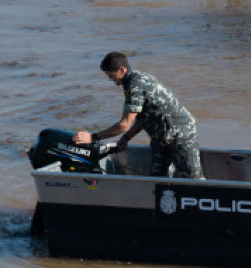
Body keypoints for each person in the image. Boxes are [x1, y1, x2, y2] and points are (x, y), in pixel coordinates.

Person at [73, 52, 203, 179]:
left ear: (122, 69)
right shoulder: (136, 79)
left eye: (112, 76)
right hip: (161, 135)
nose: (111, 80)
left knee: (191, 178)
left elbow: (124, 125)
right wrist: (126, 138)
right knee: (156, 178)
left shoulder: (135, 85)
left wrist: (93, 137)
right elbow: (144, 118)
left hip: (181, 133)